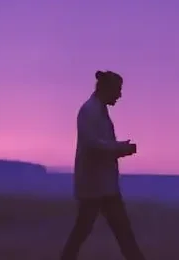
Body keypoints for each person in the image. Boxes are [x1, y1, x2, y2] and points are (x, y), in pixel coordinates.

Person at [60, 70, 146, 260]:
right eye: (118, 90)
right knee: (112, 231)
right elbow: (93, 145)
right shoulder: (90, 111)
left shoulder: (96, 110)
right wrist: (120, 149)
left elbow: (98, 145)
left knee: (114, 231)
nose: (120, 95)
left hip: (101, 186)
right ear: (107, 89)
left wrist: (118, 148)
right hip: (96, 186)